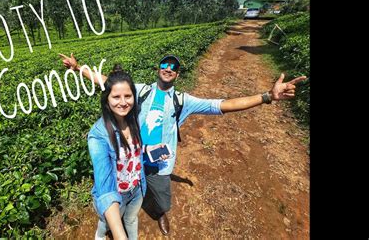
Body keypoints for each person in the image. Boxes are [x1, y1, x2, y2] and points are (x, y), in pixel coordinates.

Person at [61, 53, 307, 236]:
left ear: (177, 74)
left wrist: (266, 97)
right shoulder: (139, 91)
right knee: (124, 195)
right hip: (132, 158)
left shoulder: (182, 100)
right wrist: (77, 67)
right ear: (158, 68)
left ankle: (159, 214)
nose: (168, 69)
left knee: (161, 197)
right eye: (165, 64)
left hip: (160, 163)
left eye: (174, 67)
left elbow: (221, 104)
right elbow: (108, 83)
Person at [87, 64, 167, 240]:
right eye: (116, 97)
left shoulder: (133, 119)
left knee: (131, 219)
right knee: (107, 223)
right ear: (106, 99)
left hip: (137, 188)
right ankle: (100, 236)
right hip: (117, 193)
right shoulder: (98, 135)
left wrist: (147, 149)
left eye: (128, 96)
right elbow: (105, 187)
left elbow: (132, 151)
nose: (123, 102)